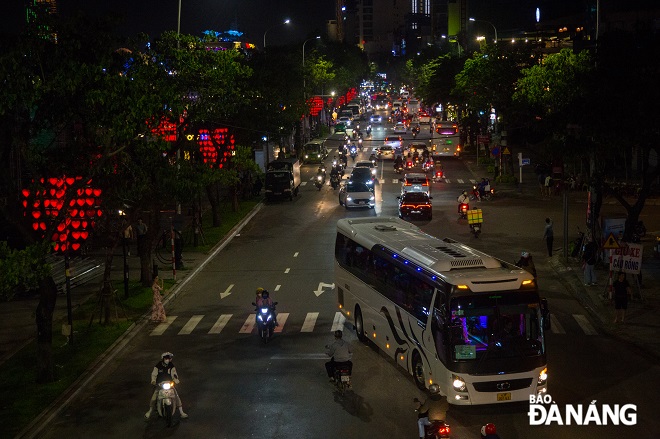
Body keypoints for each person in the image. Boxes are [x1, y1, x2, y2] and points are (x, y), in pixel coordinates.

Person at [145, 352, 188, 420]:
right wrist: (153, 381)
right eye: (166, 358)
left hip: (169, 384)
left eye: (169, 358)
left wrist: (175, 380)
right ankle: (149, 411)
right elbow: (154, 374)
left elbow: (174, 374)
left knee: (176, 396)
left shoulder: (171, 366)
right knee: (154, 397)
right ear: (163, 359)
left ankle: (181, 412)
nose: (168, 360)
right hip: (160, 385)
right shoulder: (158, 366)